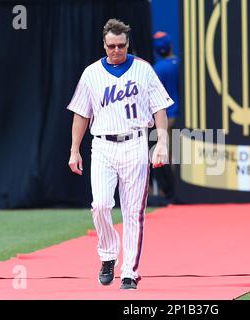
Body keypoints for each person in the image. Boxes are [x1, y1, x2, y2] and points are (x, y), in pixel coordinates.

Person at [67, 18, 173, 290]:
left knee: (133, 211)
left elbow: (159, 106)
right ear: (103, 44)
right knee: (100, 205)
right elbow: (81, 112)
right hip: (102, 144)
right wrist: (74, 149)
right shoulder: (91, 73)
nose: (116, 50)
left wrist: (161, 142)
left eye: (121, 45)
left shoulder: (143, 70)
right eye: (111, 45)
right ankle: (108, 255)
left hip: (135, 142)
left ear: (128, 44)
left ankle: (129, 272)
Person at [148, 31, 180, 200]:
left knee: (166, 156)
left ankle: (170, 192)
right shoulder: (183, 64)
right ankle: (182, 191)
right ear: (171, 46)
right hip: (185, 117)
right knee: (183, 156)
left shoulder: (156, 70)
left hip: (166, 117)